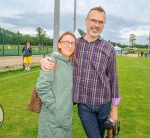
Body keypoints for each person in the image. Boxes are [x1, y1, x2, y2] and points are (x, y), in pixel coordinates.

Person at [40, 7, 121, 138]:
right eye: (93, 20)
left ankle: (110, 132)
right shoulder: (75, 44)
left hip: (104, 104)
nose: (96, 25)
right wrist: (43, 60)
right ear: (86, 21)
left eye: (101, 22)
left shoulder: (108, 48)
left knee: (100, 134)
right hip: (84, 106)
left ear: (104, 25)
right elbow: (59, 56)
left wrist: (115, 109)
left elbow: (113, 79)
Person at [36, 31, 77, 138]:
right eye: (66, 42)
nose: (69, 45)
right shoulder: (52, 61)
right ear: (59, 44)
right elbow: (42, 87)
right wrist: (55, 108)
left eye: (73, 43)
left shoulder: (70, 65)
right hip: (52, 119)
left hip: (65, 120)